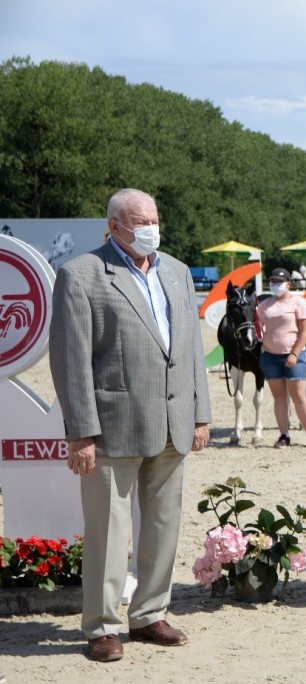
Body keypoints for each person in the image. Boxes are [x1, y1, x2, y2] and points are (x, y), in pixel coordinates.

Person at [49, 188, 211, 663]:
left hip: (173, 422)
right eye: (141, 221)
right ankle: (102, 624)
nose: (151, 229)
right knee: (108, 530)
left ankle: (150, 613)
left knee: (163, 524)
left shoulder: (178, 273)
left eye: (154, 220)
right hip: (111, 426)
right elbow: (70, 360)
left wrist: (201, 413)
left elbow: (191, 351)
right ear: (115, 225)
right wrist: (80, 431)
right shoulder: (81, 275)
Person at [257, 267, 306, 448]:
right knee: (279, 397)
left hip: (293, 354)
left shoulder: (298, 303)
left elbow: (305, 331)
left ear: (288, 284)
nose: (275, 285)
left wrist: (294, 353)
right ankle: (284, 434)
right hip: (270, 355)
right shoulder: (264, 305)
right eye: (272, 282)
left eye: (278, 282)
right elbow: (256, 325)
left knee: (299, 396)